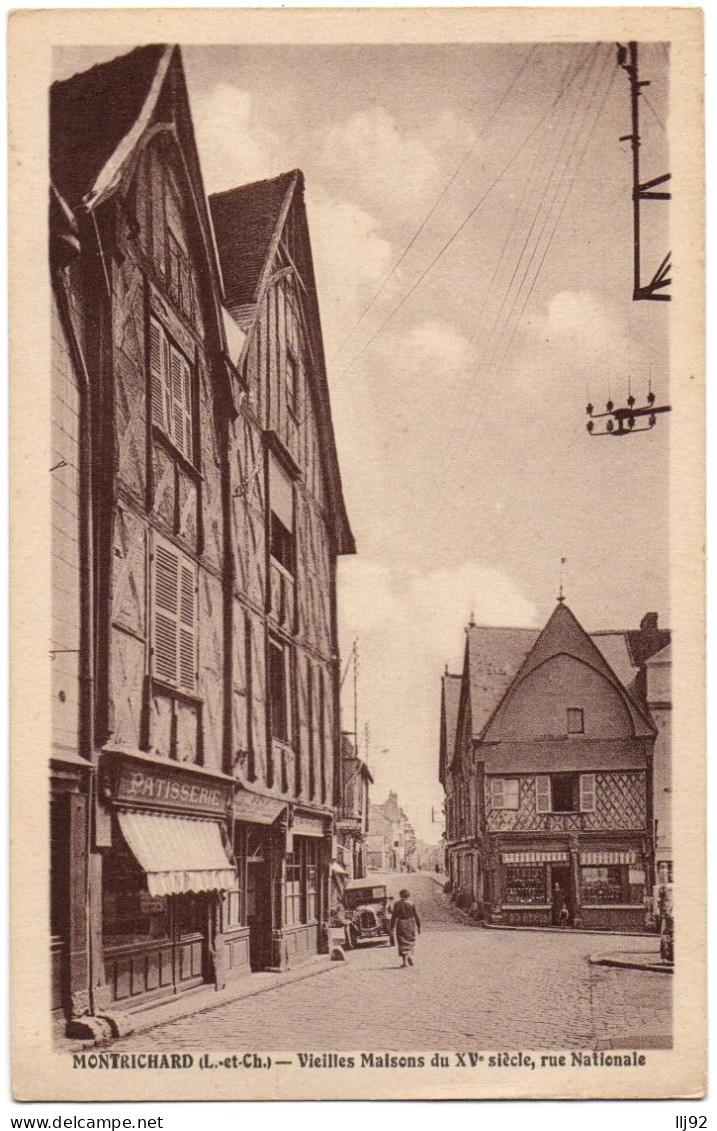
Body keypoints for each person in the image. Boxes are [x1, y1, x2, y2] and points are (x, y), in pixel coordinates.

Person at [390, 888, 421, 967]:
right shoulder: (411, 903)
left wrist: (391, 927)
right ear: (408, 895)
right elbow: (416, 915)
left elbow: (394, 916)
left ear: (400, 895)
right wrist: (418, 926)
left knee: (402, 942)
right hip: (410, 923)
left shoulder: (397, 904)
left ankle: (404, 962)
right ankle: (410, 956)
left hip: (401, 923)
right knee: (410, 940)